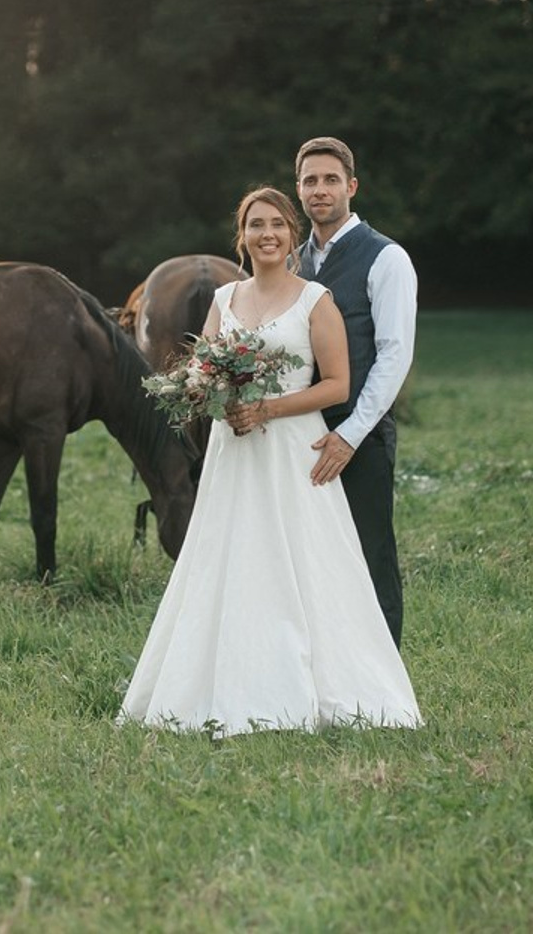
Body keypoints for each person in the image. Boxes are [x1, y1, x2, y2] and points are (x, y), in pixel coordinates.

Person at [118, 186, 420, 737]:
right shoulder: (224, 300)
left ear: (291, 235)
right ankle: (216, 682)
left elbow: (336, 385)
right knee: (229, 558)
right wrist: (201, 389)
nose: (268, 234)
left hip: (290, 450)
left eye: (278, 224)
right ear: (243, 236)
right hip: (233, 451)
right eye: (256, 224)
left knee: (301, 562)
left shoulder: (316, 299)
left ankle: (315, 686)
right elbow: (202, 365)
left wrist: (268, 408)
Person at [295, 136, 416, 647]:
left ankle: (385, 680)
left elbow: (394, 354)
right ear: (297, 190)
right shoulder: (292, 260)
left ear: (351, 186)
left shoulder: (386, 258)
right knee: (309, 558)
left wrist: (350, 434)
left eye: (329, 180)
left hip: (359, 435)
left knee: (370, 556)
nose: (319, 190)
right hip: (297, 436)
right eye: (309, 181)